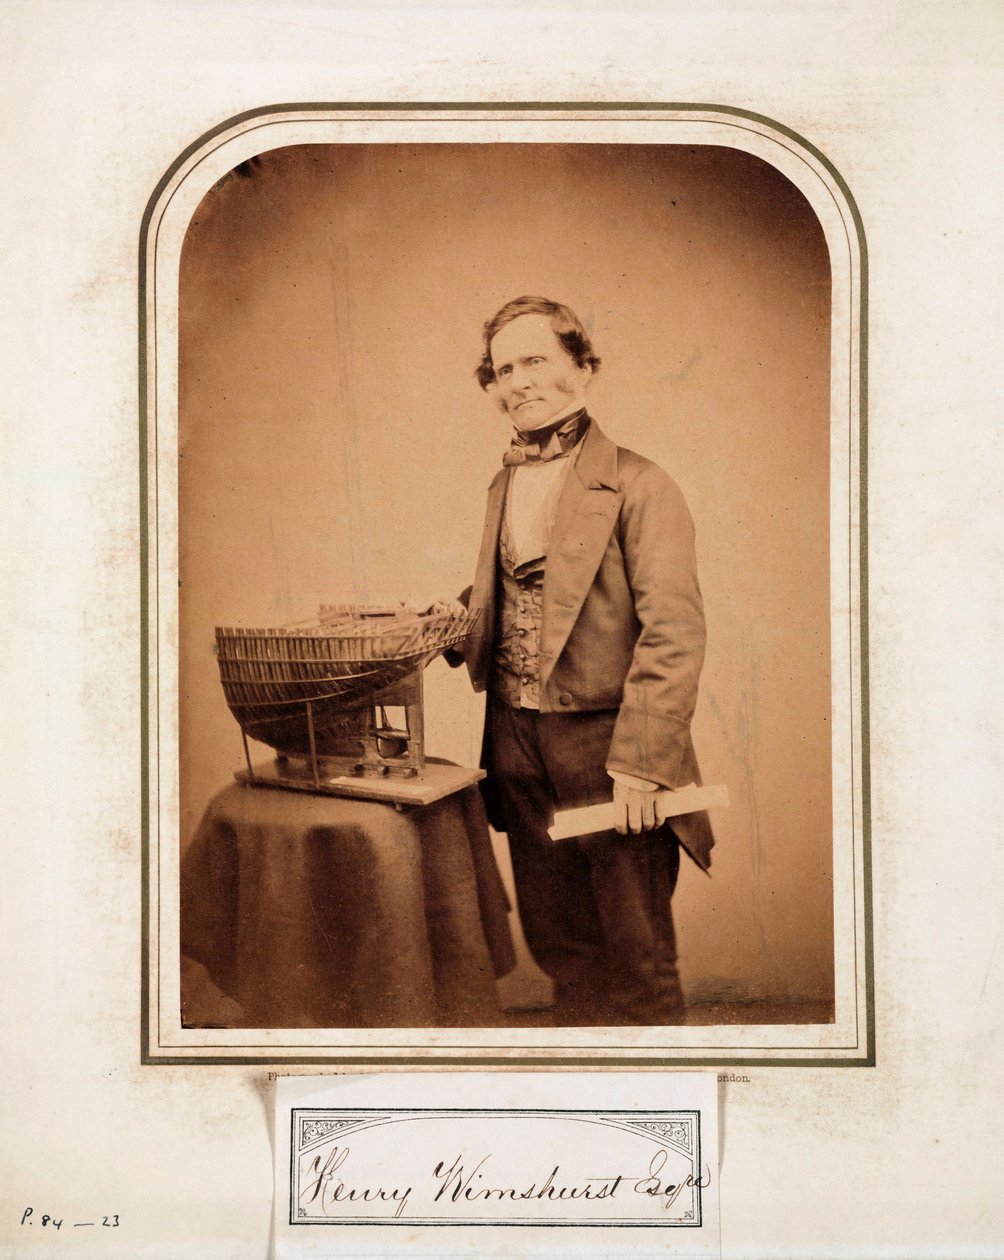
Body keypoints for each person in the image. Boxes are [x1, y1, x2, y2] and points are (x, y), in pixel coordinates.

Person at [452, 295, 714, 1027]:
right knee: (562, 950)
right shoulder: (504, 481)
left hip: (609, 750)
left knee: (638, 956)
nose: (518, 382)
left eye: (535, 360)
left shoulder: (642, 484)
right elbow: (523, 591)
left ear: (583, 367)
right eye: (504, 369)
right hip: (516, 744)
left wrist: (642, 766)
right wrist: (453, 619)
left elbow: (673, 633)